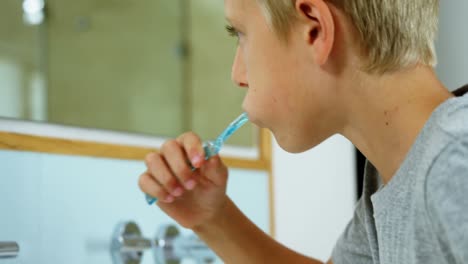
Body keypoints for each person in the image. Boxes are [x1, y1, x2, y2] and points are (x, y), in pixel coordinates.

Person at [138, 0, 468, 263]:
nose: (238, 74)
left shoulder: (454, 163)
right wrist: (212, 218)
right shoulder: (396, 179)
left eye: (240, 34)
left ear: (314, 29)